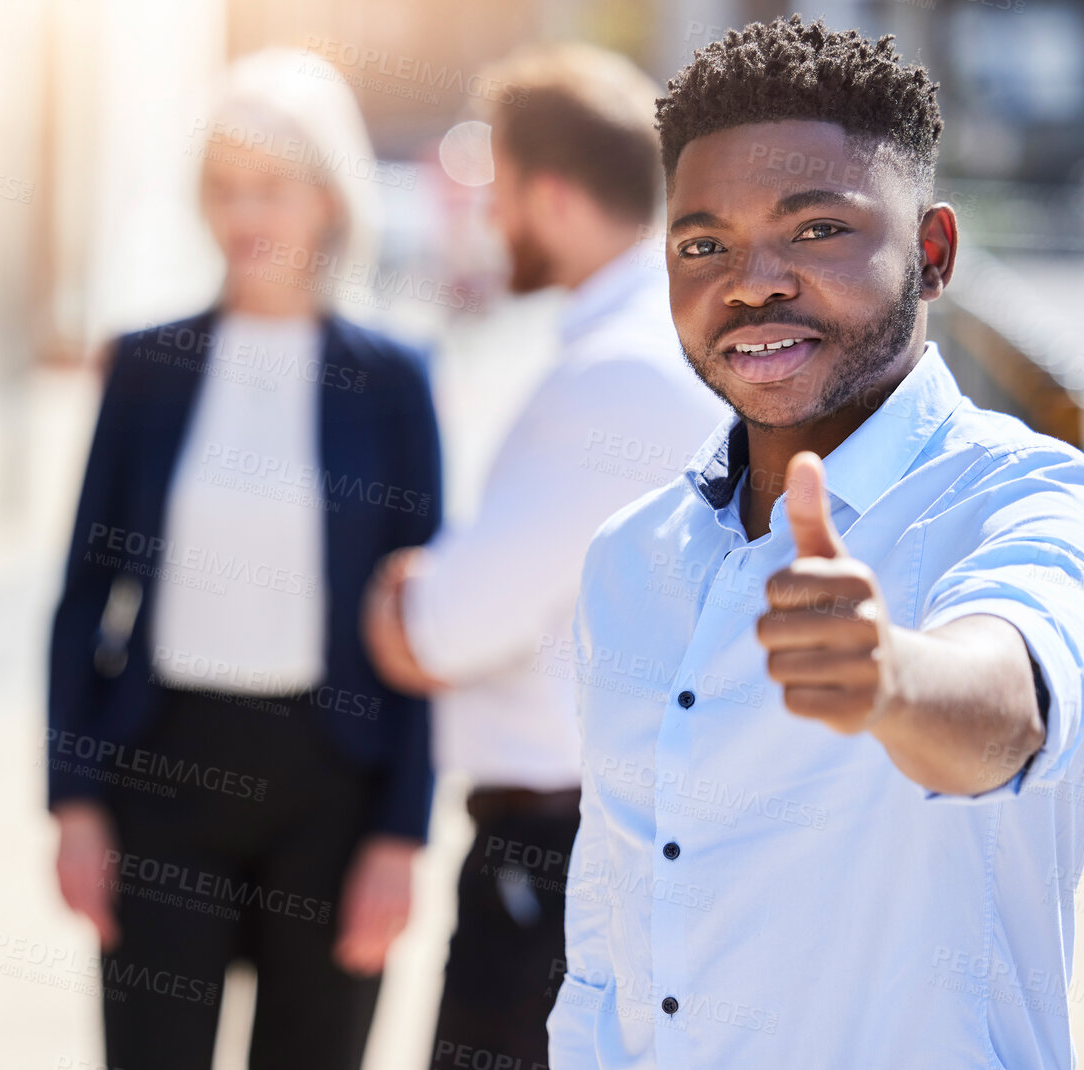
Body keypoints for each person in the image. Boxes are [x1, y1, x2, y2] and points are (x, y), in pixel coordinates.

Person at [545, 17, 1084, 1068]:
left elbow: (1008, 705)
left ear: (933, 253)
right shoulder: (625, 557)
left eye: (814, 229)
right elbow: (607, 927)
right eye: (700, 244)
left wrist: (892, 679)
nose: (751, 280)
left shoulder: (1030, 498)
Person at [47, 49, 442, 1070]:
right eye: (224, 190)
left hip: (330, 790)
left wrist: (400, 837)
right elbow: (84, 591)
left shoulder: (393, 380)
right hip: (161, 768)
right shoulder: (145, 366)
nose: (245, 215)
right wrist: (75, 799)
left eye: (270, 187)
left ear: (326, 196)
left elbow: (421, 619)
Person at [358, 45, 728, 1069]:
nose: (486, 218)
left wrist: (400, 588)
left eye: (499, 190)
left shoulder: (612, 376)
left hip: (555, 862)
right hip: (612, 846)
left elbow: (436, 631)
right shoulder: (668, 345)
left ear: (553, 196)